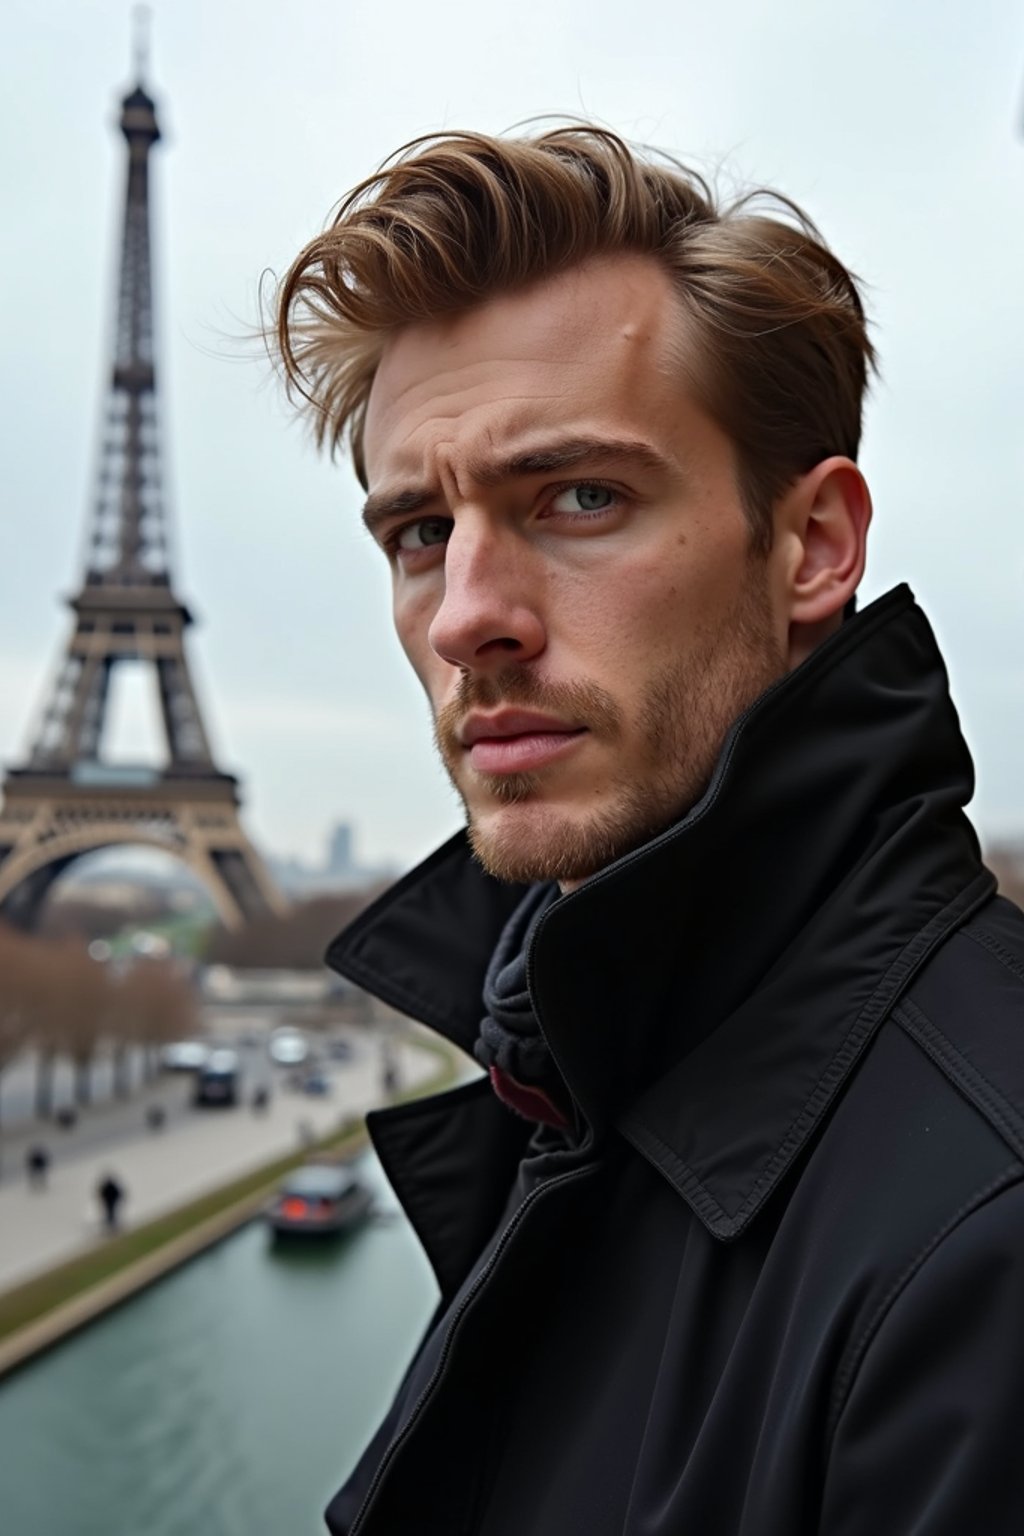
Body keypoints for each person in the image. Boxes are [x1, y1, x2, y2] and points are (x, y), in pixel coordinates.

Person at [270, 127, 1024, 1534]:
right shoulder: (568, 1083)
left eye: (579, 497)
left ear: (812, 547)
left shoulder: (989, 1239)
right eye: (419, 531)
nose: (464, 618)